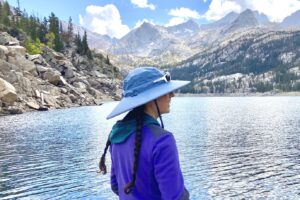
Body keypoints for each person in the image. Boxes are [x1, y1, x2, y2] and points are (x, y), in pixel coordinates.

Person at [99, 66, 190, 199]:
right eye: (166, 91)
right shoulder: (163, 140)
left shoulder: (116, 134)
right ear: (151, 98)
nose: (172, 95)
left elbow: (115, 185)